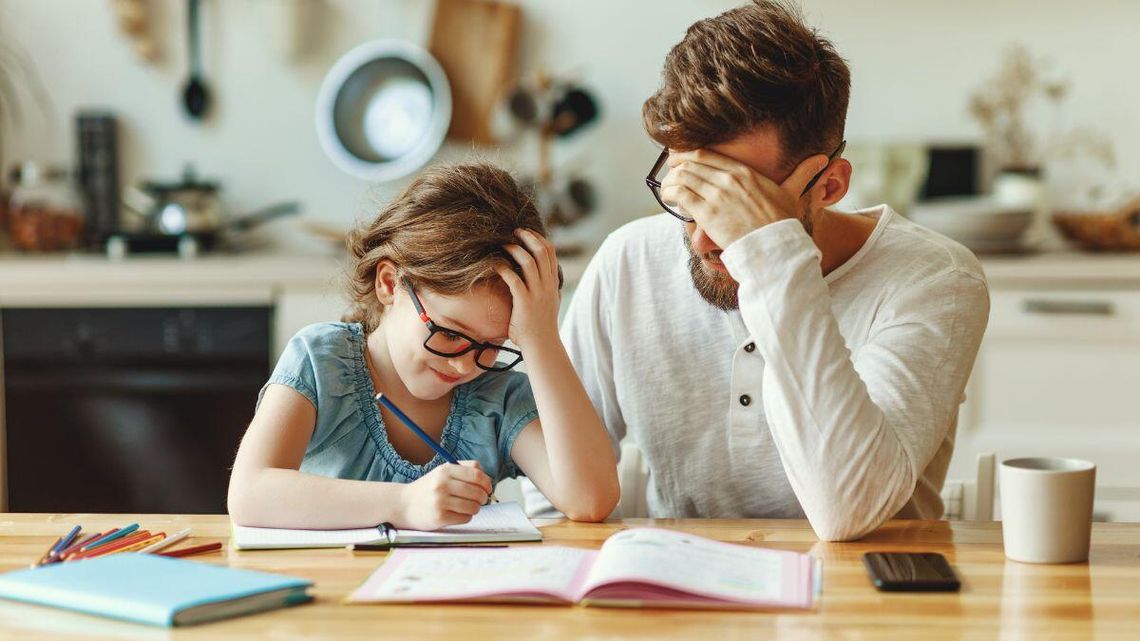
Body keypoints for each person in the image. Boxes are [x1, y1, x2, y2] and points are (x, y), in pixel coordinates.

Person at [524, 0, 989, 541]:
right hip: (679, 597)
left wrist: (773, 256)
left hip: (863, 604)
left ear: (830, 186)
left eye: (736, 204)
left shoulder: (935, 280)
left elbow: (849, 508)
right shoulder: (628, 262)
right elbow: (553, 487)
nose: (700, 238)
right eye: (689, 192)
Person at [228, 163, 619, 531]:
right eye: (450, 334)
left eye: (492, 345)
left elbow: (590, 500)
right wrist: (404, 503)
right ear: (389, 284)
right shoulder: (320, 361)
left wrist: (541, 338)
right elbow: (249, 494)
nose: (467, 366)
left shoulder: (497, 397)